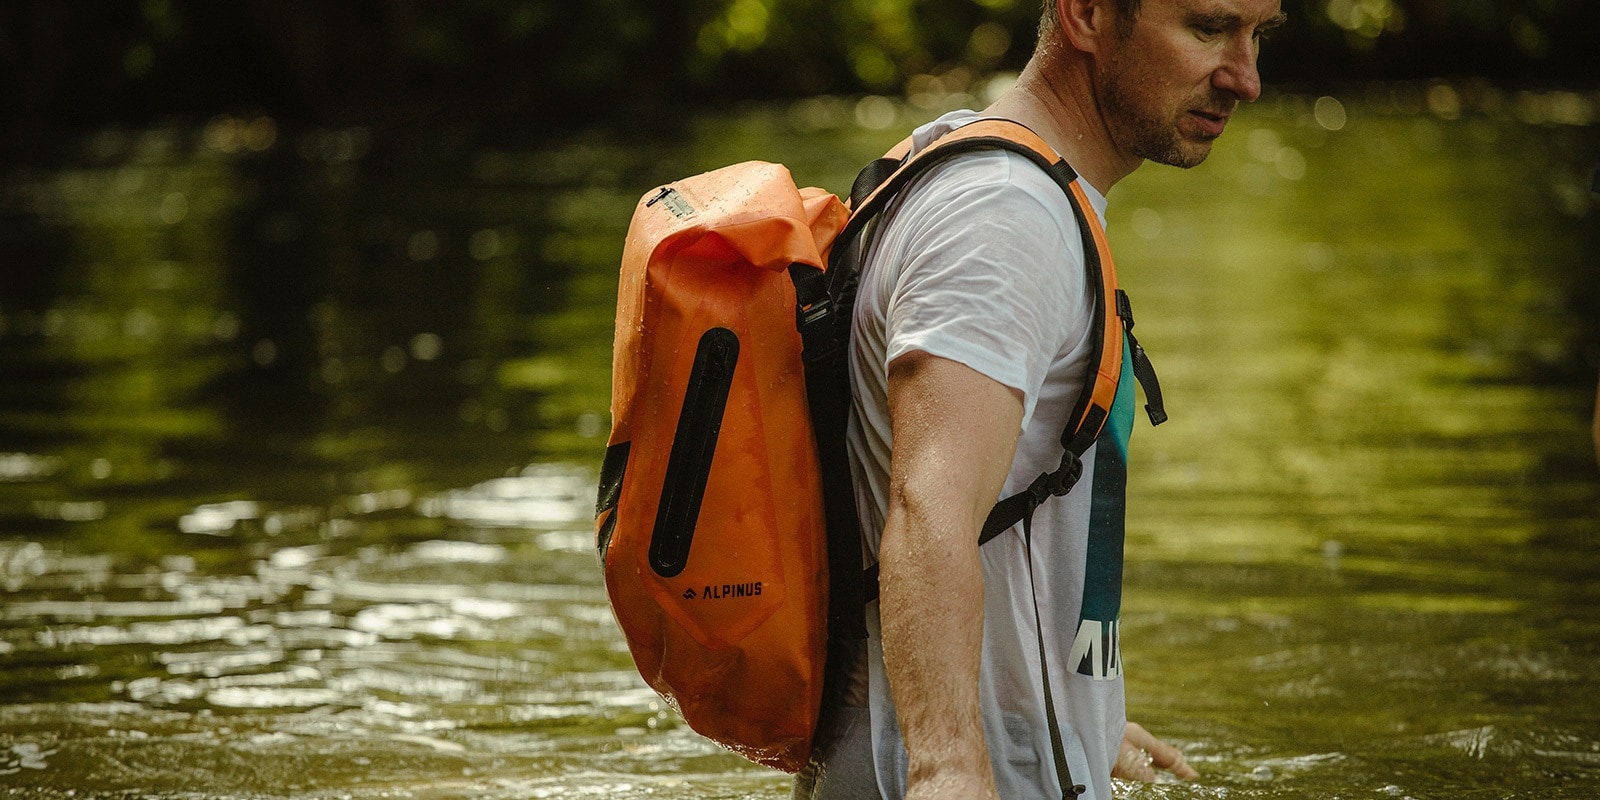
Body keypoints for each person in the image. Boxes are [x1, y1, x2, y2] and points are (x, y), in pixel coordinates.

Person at [792, 0, 1285, 798]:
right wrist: (950, 766)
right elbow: (929, 508)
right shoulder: (1004, 214)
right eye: (1207, 28)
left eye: (1258, 36)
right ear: (1088, 14)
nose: (1246, 77)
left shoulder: (964, 156)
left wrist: (1078, 718)